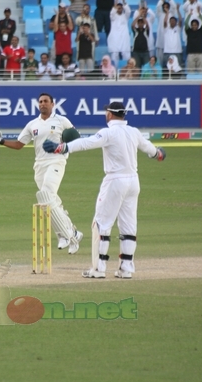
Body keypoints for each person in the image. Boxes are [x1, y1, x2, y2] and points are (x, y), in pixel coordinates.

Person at [42, 101, 165, 279]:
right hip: (133, 182)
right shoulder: (134, 132)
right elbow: (152, 150)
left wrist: (61, 147)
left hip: (115, 180)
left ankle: (98, 269)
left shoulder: (108, 132)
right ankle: (126, 269)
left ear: (110, 114)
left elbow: (86, 143)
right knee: (128, 226)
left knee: (100, 224)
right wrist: (158, 153)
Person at [0, 93, 83, 252]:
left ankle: (63, 235)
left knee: (46, 195)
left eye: (46, 101)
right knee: (51, 201)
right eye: (40, 102)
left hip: (56, 161)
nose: (42, 104)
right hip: (39, 166)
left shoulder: (62, 121)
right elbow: (19, 144)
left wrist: (68, 143)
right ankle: (74, 234)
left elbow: (76, 138)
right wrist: (0, 140)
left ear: (52, 104)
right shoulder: (32, 124)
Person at [107, 0, 131, 67]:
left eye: (120, 7)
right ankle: (114, 71)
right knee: (115, 55)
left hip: (124, 38)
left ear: (122, 8)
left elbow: (128, 11)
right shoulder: (113, 17)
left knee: (126, 54)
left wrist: (125, 3)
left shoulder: (125, 16)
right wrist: (114, 8)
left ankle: (127, 70)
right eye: (118, 8)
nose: (119, 9)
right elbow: (111, 14)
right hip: (115, 38)